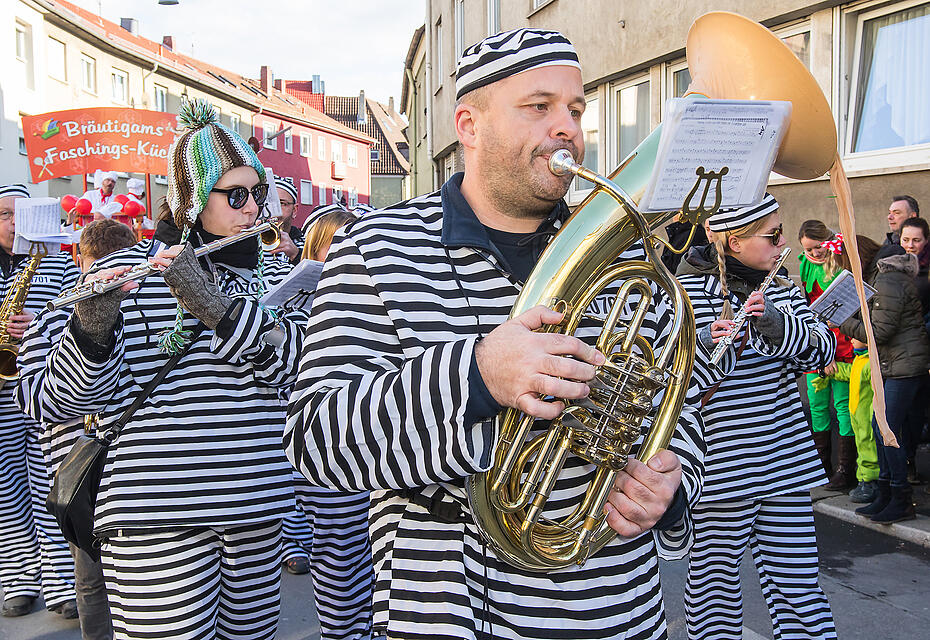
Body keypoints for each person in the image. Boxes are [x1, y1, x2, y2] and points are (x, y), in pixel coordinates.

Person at [285, 29, 704, 640]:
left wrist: (671, 481)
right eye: (539, 106)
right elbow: (319, 441)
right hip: (445, 611)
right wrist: (478, 375)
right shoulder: (374, 248)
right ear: (469, 125)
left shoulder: (630, 256)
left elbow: (677, 406)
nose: (567, 128)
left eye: (576, 109)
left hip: (616, 608)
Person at [17, 101, 309, 639]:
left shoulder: (276, 278)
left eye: (258, 193)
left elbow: (300, 370)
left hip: (256, 509)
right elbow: (47, 400)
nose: (253, 209)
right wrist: (91, 332)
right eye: (235, 195)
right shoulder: (121, 271)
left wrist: (222, 312)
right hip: (156, 514)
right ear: (191, 198)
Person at [676, 194, 838, 640]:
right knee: (714, 591)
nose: (783, 243)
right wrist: (705, 346)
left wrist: (775, 324)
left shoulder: (783, 288)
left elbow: (822, 350)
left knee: (800, 587)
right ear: (734, 241)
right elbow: (671, 382)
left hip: (784, 462)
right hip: (720, 467)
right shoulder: (684, 293)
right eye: (772, 235)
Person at [18, 218, 137, 639]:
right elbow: (36, 399)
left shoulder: (48, 317)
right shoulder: (54, 315)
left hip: (83, 471)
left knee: (91, 579)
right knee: (106, 577)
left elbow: (33, 400)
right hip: (103, 470)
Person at [0, 184, 81, 619]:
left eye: (20, 214)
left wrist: (41, 319)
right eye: (4, 215)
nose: (14, 223)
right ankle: (18, 578)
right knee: (6, 493)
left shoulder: (57, 263)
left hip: (42, 390)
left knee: (49, 488)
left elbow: (78, 314)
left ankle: (62, 581)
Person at [841, 239, 930, 523]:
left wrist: (841, 320)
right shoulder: (889, 279)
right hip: (898, 364)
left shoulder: (889, 280)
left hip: (904, 366)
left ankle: (899, 497)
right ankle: (887, 492)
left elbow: (878, 331)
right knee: (882, 427)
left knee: (886, 429)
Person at [797, 220, 856, 491]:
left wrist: (831, 352)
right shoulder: (805, 264)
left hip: (842, 343)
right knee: (817, 405)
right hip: (817, 344)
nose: (814, 253)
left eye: (817, 247)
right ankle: (822, 466)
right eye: (808, 249)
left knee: (843, 406)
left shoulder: (842, 259)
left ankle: (845, 469)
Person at [829, 337, 880, 503]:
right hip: (857, 416)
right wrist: (830, 370)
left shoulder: (870, 363)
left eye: (856, 337)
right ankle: (863, 479)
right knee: (861, 446)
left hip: (866, 418)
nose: (851, 340)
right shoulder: (860, 359)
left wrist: (873, 418)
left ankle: (871, 482)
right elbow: (850, 372)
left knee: (868, 447)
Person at [267, 177, 303, 264]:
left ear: (294, 210)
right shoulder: (249, 243)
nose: (274, 211)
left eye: (282, 203)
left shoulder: (308, 245)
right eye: (268, 203)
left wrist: (296, 255)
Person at [900, 217, 930, 316]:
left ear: (926, 240)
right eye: (905, 240)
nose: (910, 245)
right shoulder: (890, 262)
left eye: (916, 240)